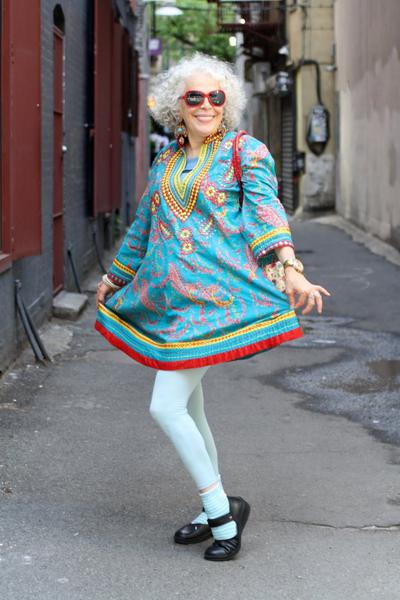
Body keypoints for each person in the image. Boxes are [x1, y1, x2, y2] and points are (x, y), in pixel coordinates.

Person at [95, 52, 330, 562]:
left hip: (217, 305)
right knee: (191, 409)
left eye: (216, 96)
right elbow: (145, 226)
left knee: (165, 406)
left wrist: (289, 266)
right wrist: (115, 276)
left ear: (228, 102)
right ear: (178, 105)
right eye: (195, 96)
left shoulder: (245, 151)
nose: (206, 105)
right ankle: (215, 510)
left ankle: (222, 513)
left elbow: (265, 211)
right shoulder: (166, 160)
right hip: (171, 305)